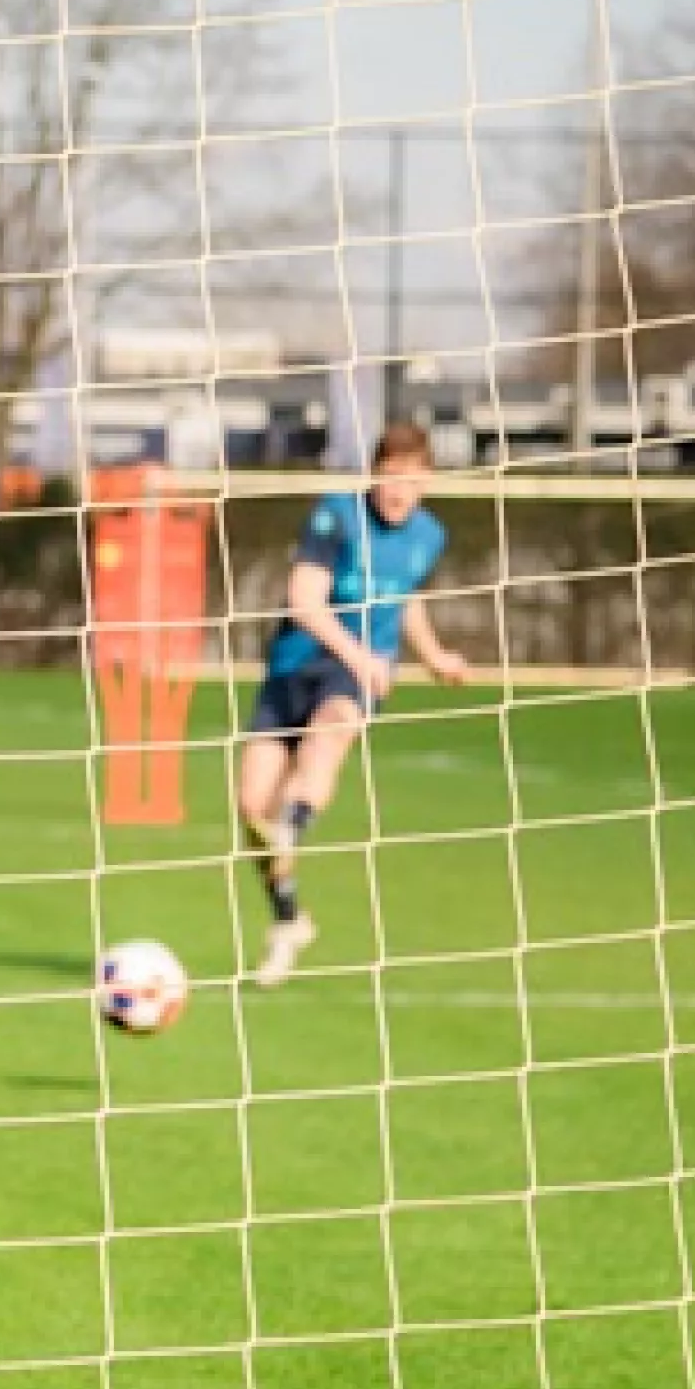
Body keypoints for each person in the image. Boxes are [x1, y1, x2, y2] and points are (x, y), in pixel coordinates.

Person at [238, 420, 468, 989]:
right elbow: (305, 599)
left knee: (334, 727)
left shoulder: (429, 536)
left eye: (410, 482)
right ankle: (289, 921)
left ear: (428, 481)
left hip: (353, 672)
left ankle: (293, 824)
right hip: (296, 664)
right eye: (390, 479)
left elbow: (406, 596)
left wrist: (433, 655)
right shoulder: (336, 515)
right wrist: (358, 651)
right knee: (250, 809)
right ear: (374, 474)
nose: (398, 493)